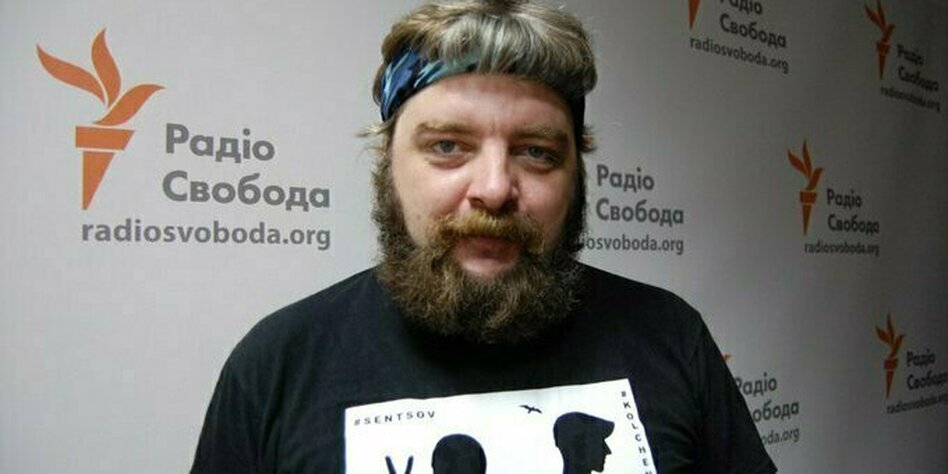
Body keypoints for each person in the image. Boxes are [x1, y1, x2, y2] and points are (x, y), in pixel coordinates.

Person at [191, 1, 777, 473]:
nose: (495, 189)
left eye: (536, 152)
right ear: (387, 165)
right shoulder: (278, 365)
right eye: (448, 146)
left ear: (576, 174)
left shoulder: (669, 335)